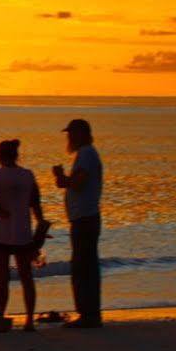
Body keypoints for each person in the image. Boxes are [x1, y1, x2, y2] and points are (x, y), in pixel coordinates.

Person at [0, 139, 43, 331]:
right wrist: (41, 226)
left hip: (1, 234)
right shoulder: (28, 175)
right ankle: (29, 320)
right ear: (16, 155)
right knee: (26, 278)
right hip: (23, 233)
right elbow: (35, 204)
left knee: (3, 279)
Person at [53, 118, 106, 328]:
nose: (69, 138)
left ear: (82, 134)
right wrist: (63, 179)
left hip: (85, 218)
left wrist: (62, 178)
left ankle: (88, 314)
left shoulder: (87, 154)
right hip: (84, 217)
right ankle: (89, 312)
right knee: (85, 265)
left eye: (72, 133)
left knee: (83, 267)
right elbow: (74, 183)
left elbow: (78, 183)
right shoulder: (86, 154)